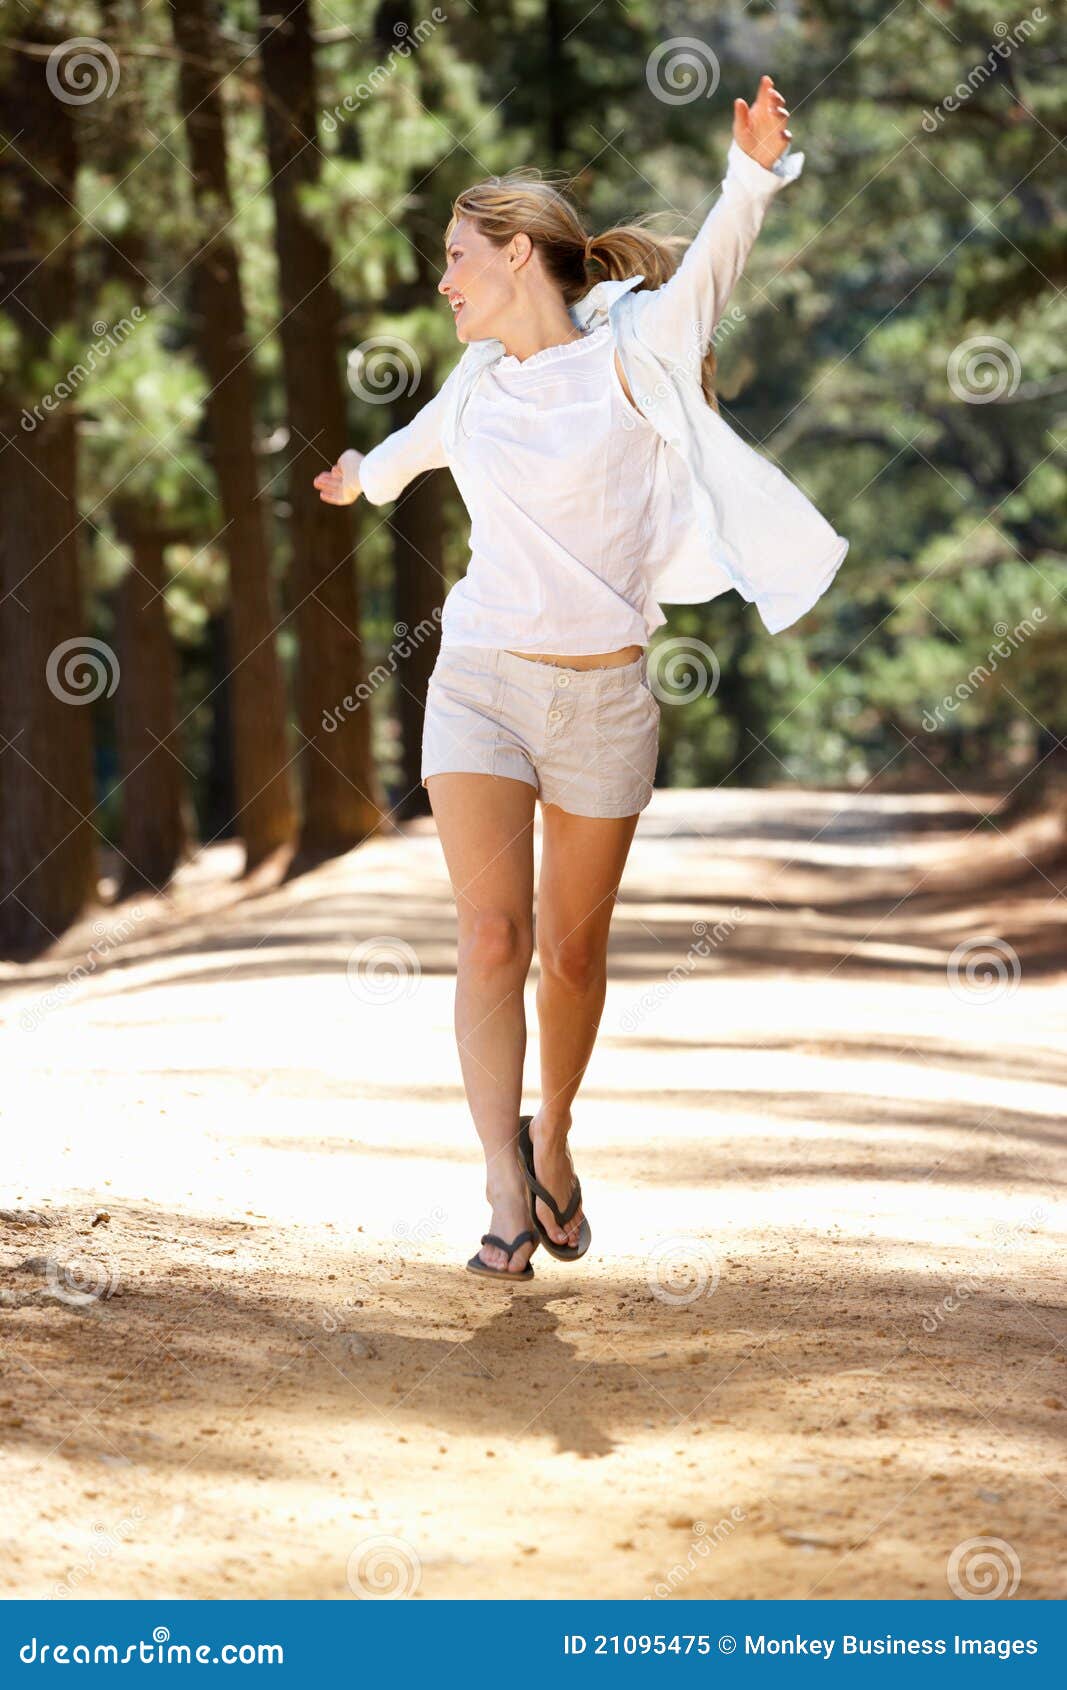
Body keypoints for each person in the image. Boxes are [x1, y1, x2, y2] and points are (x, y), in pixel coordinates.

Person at [315, 76, 847, 1283]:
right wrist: (356, 475)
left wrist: (749, 173)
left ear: (514, 255)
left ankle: (550, 1133)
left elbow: (710, 267)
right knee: (491, 934)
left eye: (455, 257)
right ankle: (502, 1192)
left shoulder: (626, 353)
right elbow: (395, 463)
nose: (442, 280)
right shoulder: (474, 390)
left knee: (570, 955)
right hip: (481, 685)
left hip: (602, 700)